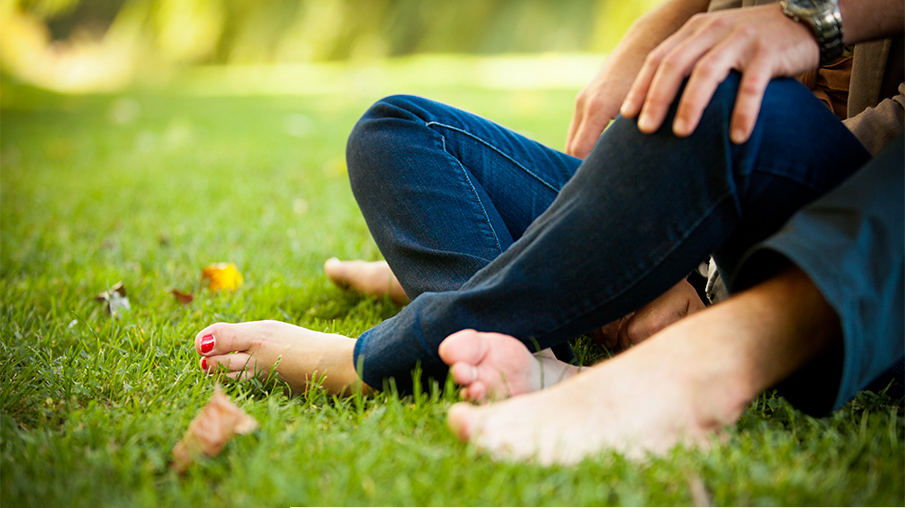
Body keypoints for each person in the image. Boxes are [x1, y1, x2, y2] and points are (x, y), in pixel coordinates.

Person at [194, 0, 903, 461]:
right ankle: (533, 361)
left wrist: (810, 21)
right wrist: (659, 28)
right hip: (685, 183)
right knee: (397, 131)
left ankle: (376, 358)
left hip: (823, 203)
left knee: (719, 95)